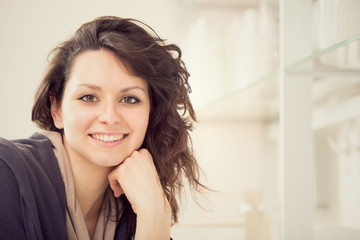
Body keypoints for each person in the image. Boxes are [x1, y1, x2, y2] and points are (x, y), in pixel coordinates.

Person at [0, 16, 206, 240]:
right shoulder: (6, 175)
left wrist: (154, 213)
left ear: (151, 112)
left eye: (129, 99)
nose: (110, 117)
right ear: (57, 109)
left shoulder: (138, 199)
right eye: (88, 97)